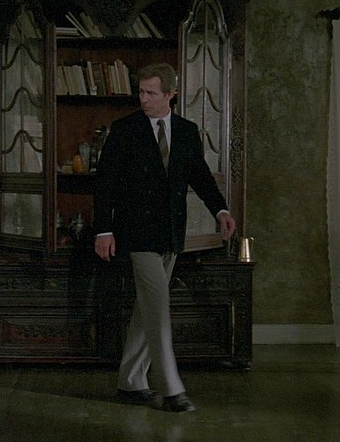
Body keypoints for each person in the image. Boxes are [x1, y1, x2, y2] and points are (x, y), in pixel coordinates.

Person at [93, 63, 236, 412]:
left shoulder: (186, 131)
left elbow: (200, 177)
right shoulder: (125, 130)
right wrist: (103, 229)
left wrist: (221, 210)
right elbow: (104, 184)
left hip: (171, 234)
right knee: (158, 309)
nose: (143, 99)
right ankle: (172, 389)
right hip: (136, 234)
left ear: (170, 94)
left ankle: (130, 382)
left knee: (147, 308)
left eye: (151, 93)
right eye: (140, 92)